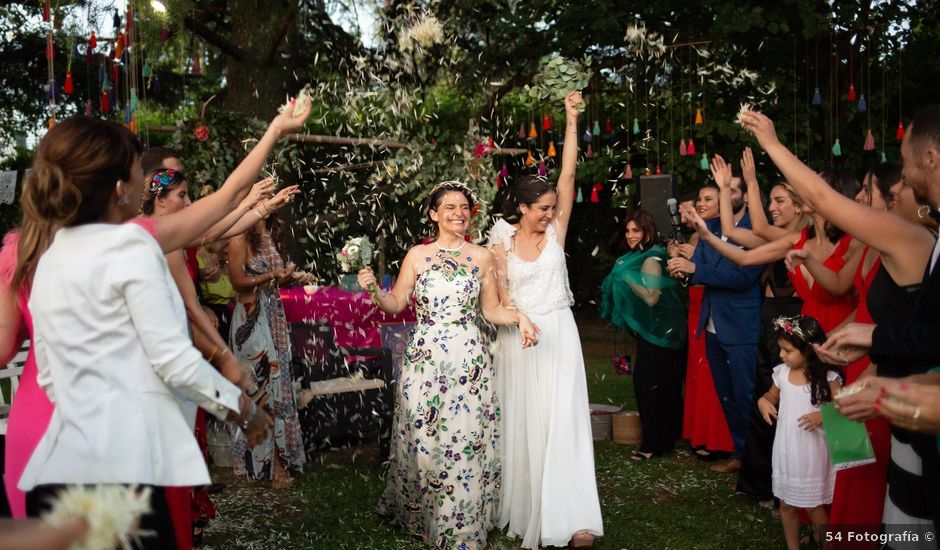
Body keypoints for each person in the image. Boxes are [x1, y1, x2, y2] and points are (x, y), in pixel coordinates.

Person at [1, 98, 310, 521]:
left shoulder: (36, 252)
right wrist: (243, 408)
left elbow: (26, 359)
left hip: (43, 449)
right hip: (115, 454)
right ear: (118, 189)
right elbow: (173, 360)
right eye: (135, 171)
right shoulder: (132, 246)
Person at [741, 108, 940, 538]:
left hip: (887, 384)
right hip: (861, 367)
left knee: (866, 495)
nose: (863, 202)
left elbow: (824, 200)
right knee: (851, 483)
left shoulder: (908, 237)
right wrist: (861, 336)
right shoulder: (883, 244)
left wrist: (772, 144)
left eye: (876, 189)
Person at [357, 181, 537, 550]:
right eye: (450, 207)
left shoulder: (482, 257)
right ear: (434, 215)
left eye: (464, 207)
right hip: (425, 358)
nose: (459, 213)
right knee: (425, 438)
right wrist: (373, 288)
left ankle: (461, 524)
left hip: (468, 356)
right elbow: (395, 304)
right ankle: (424, 513)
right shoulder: (417, 256)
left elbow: (490, 310)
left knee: (465, 438)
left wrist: (520, 318)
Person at [487, 91, 603, 549]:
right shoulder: (500, 243)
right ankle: (529, 506)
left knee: (566, 422)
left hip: (560, 334)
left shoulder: (557, 232)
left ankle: (574, 517)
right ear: (521, 208)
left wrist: (572, 120)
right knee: (526, 425)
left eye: (554, 207)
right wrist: (517, 320)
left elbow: (569, 173)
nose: (551, 214)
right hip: (520, 339)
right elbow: (496, 298)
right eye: (542, 209)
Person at [667, 178, 763, 474]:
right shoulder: (713, 229)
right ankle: (739, 453)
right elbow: (704, 270)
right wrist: (683, 267)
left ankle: (759, 463)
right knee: (726, 394)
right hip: (710, 323)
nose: (723, 196)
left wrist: (695, 267)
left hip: (739, 325)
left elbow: (742, 277)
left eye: (729, 191)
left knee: (746, 394)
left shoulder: (755, 230)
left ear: (744, 197)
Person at [227, 214, 309, 487]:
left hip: (273, 315)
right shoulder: (239, 236)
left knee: (278, 388)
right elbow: (237, 281)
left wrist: (288, 278)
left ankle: (280, 458)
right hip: (251, 321)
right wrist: (273, 274)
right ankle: (271, 466)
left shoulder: (270, 234)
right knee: (261, 392)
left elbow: (270, 282)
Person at [601, 210, 686, 461]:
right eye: (627, 231)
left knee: (649, 387)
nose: (630, 235)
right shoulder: (639, 256)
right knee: (665, 386)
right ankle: (665, 439)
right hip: (662, 332)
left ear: (647, 232)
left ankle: (652, 444)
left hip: (661, 333)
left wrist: (627, 277)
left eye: (635, 230)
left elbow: (651, 297)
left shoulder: (649, 259)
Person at [757, 315, 842, 550]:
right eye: (780, 349)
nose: (782, 355)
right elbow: (770, 396)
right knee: (786, 503)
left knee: (814, 506)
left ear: (809, 350)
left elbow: (844, 408)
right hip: (786, 451)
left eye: (788, 350)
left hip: (812, 454)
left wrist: (823, 415)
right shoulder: (781, 373)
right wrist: (763, 402)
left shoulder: (828, 379)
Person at [674, 185, 735, 460]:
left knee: (713, 374)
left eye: (707, 199)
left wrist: (692, 261)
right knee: (698, 373)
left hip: (719, 309)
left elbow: (723, 272)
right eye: (698, 198)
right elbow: (690, 276)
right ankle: (700, 432)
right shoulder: (696, 235)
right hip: (698, 308)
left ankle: (721, 438)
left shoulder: (727, 234)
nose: (700, 203)